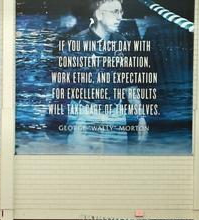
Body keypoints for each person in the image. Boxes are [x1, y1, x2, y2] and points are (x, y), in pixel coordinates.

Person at [64, 0, 149, 148]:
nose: (120, 17)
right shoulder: (75, 44)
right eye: (115, 12)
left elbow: (130, 85)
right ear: (99, 15)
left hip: (116, 115)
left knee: (116, 160)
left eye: (121, 12)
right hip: (84, 114)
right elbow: (64, 88)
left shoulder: (122, 43)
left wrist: (141, 118)